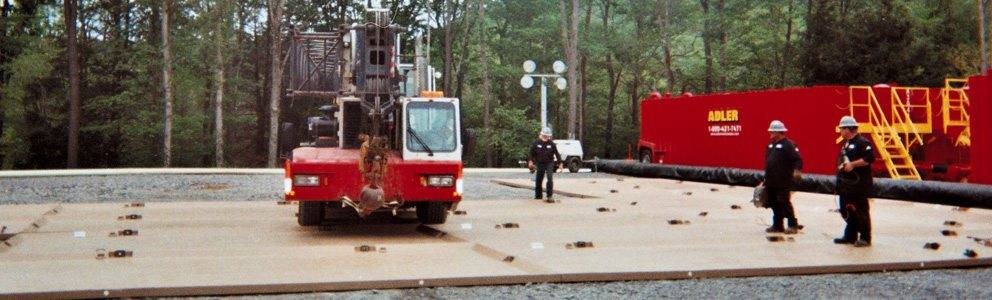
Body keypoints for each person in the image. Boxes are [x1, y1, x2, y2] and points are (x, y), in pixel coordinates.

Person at [834, 116, 875, 247]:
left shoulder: (862, 142)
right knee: (846, 210)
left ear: (848, 129)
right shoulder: (845, 144)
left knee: (861, 211)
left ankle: (865, 237)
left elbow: (869, 158)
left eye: (842, 128)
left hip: (859, 185)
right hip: (846, 185)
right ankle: (850, 236)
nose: (840, 131)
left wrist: (853, 165)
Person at [762, 120, 804, 234]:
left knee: (784, 202)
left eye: (772, 131)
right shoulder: (770, 145)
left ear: (779, 132)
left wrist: (797, 171)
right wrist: (765, 180)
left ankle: (793, 225)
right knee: (773, 203)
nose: (770, 133)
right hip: (771, 180)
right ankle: (777, 225)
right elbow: (768, 163)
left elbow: (797, 159)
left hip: (783, 181)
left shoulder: (788, 145)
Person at [528, 127, 562, 200]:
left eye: (547, 136)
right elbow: (531, 153)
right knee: (539, 179)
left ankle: (549, 196)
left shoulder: (552, 144)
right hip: (540, 163)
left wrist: (560, 163)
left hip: (549, 162)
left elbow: (557, 154)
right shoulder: (536, 143)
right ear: (541, 134)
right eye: (544, 135)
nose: (546, 137)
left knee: (550, 178)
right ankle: (538, 196)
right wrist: (530, 161)